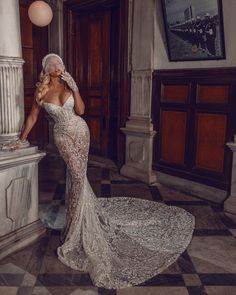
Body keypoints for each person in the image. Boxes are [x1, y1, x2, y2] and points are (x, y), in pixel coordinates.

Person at [0, 53, 195, 289]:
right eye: (56, 65)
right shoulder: (41, 92)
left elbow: (81, 110)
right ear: (47, 69)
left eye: (62, 63)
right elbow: (32, 117)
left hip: (81, 132)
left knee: (79, 178)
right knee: (77, 177)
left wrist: (76, 88)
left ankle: (79, 224)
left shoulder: (69, 85)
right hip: (62, 136)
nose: (60, 67)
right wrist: (21, 140)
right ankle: (77, 230)